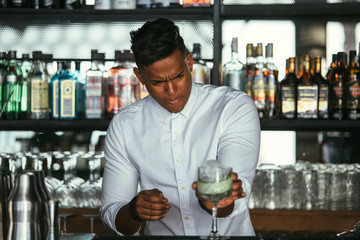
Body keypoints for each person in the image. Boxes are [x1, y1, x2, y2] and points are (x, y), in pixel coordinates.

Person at [100, 18, 260, 236]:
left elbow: (234, 203)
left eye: (178, 76)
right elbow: (112, 215)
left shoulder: (232, 108)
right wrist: (134, 211)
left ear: (190, 62)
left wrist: (214, 199)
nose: (172, 91)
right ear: (140, 77)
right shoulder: (124, 126)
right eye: (157, 82)